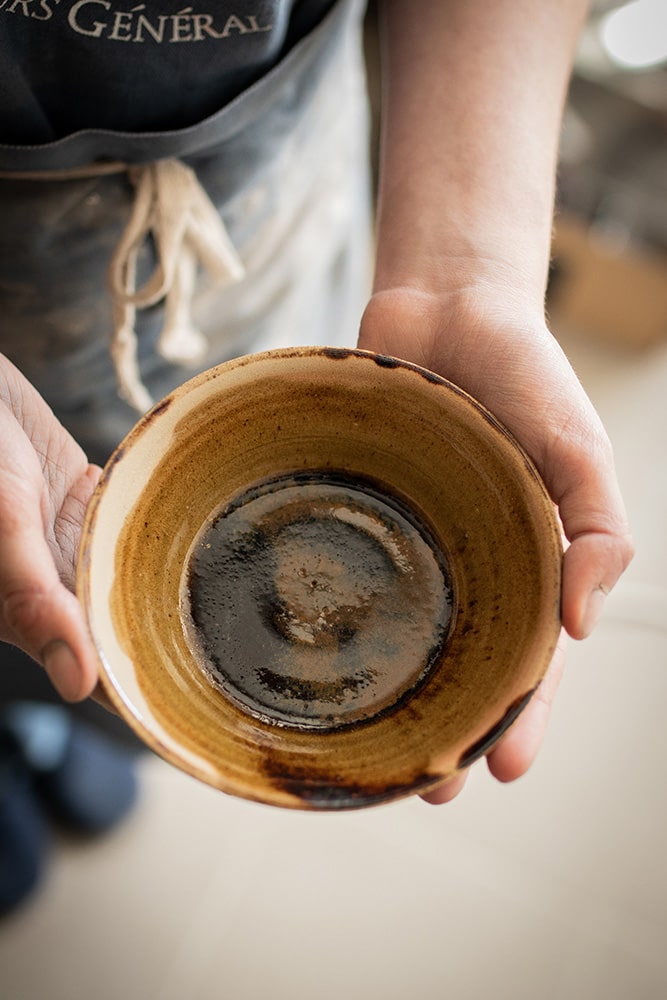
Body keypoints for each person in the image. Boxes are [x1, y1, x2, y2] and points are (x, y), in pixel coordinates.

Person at [0, 0, 633, 816]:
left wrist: (464, 278)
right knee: (32, 603)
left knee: (89, 665)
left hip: (265, 201)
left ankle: (49, 737)